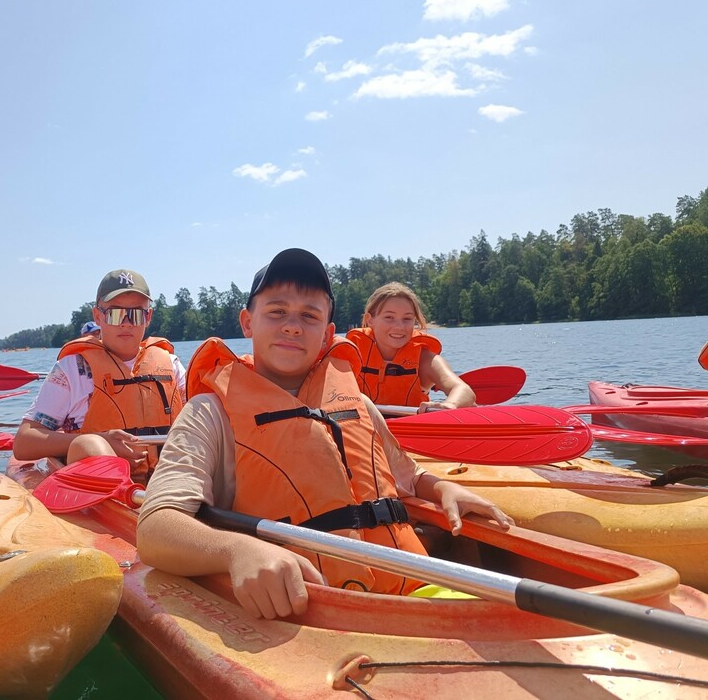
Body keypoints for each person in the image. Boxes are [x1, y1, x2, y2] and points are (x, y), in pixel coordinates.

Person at [135, 249, 512, 620]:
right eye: (277, 311)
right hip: (305, 611)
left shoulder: (359, 404)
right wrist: (235, 550)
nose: (292, 326)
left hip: (412, 591)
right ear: (248, 322)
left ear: (328, 332)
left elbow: (408, 475)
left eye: (309, 315)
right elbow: (155, 528)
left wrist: (443, 489)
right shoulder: (209, 414)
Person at [13, 269, 186, 475]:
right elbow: (24, 442)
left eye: (136, 314)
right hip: (100, 484)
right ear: (98, 316)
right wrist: (100, 440)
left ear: (148, 317)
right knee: (91, 446)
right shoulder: (72, 370)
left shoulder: (172, 365)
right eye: (115, 314)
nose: (126, 323)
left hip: (166, 479)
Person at [346, 282, 475, 411]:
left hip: (410, 423)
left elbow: (464, 390)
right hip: (362, 423)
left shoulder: (425, 360)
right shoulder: (349, 355)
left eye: (407, 319)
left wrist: (450, 404)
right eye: (389, 317)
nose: (399, 327)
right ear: (370, 320)